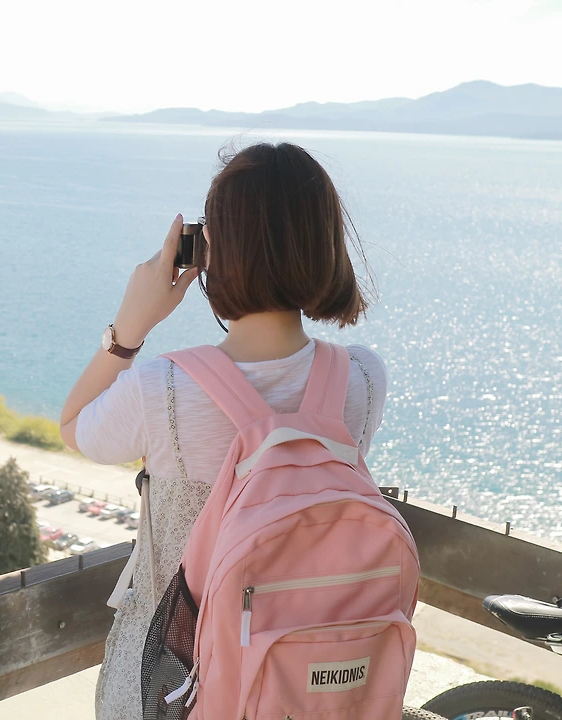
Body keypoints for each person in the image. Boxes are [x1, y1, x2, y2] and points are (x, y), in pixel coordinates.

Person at [59, 142, 388, 720]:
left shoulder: (163, 389)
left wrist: (129, 327)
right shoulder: (362, 377)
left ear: (212, 249)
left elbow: (73, 426)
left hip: (171, 690)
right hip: (306, 684)